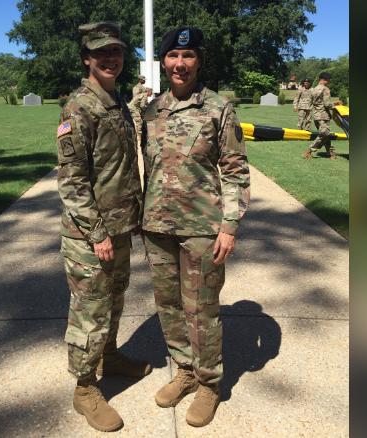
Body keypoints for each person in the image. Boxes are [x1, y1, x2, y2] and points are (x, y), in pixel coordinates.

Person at [140, 27, 251, 427]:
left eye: (188, 56)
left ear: (198, 61)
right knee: (168, 306)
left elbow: (236, 171)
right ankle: (184, 369)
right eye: (173, 56)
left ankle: (209, 383)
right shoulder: (150, 110)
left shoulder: (219, 109)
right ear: (164, 62)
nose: (180, 64)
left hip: (203, 228)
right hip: (156, 226)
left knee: (201, 310)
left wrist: (230, 225)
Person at [56, 21, 151, 432]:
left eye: (117, 52)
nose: (111, 58)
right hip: (90, 236)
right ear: (87, 59)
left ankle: (109, 356)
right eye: (102, 53)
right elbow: (72, 182)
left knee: (115, 300)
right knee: (89, 312)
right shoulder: (79, 107)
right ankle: (84, 388)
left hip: (120, 227)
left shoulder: (115, 102)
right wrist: (96, 234)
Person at [302, 71, 337, 159]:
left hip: (316, 115)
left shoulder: (313, 89)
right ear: (325, 79)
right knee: (324, 134)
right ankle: (309, 151)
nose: (329, 81)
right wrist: (336, 105)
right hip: (323, 115)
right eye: (329, 80)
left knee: (325, 134)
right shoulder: (325, 89)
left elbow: (312, 102)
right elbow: (327, 104)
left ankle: (330, 153)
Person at [128, 75, 150, 147]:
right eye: (144, 79)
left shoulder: (142, 88)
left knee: (140, 121)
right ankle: (138, 137)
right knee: (139, 121)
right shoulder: (138, 88)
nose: (145, 80)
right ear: (140, 80)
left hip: (136, 107)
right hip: (134, 107)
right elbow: (140, 102)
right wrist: (146, 109)